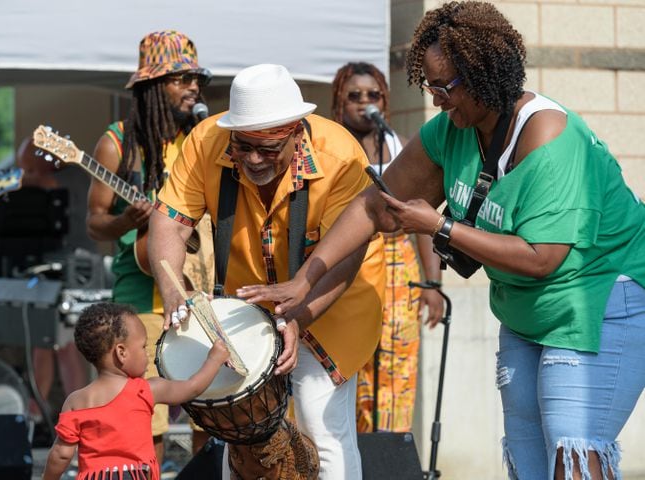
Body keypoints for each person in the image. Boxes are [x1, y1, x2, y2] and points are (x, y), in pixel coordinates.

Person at [241, 3, 645, 480]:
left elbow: (543, 259)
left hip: (597, 300)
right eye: (428, 85)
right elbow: (375, 206)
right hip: (523, 310)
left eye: (444, 86)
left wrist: (438, 227)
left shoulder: (549, 135)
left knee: (572, 453)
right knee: (529, 461)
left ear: (484, 74)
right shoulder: (452, 133)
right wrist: (302, 281)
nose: (435, 99)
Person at [149, 63, 386, 479]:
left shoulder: (342, 156)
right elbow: (169, 221)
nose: (255, 159)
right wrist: (173, 292)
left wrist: (298, 314)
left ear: (298, 132)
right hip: (250, 305)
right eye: (244, 147)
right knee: (242, 436)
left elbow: (346, 256)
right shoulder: (206, 142)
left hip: (333, 299)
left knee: (320, 425)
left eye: (270, 148)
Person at [87, 30, 214, 462]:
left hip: (198, 294)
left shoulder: (203, 139)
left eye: (196, 78)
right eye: (180, 78)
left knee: (210, 418)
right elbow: (94, 223)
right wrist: (124, 221)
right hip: (140, 300)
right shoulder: (118, 142)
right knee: (143, 420)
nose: (193, 87)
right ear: (152, 87)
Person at [331, 61, 444, 433]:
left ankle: (390, 456)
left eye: (373, 95)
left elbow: (421, 219)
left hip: (398, 272)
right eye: (354, 96)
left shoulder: (400, 147)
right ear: (339, 102)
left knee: (396, 367)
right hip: (349, 269)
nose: (364, 103)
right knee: (354, 369)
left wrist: (432, 285)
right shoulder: (330, 147)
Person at [41, 302, 229, 480]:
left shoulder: (76, 401)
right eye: (143, 346)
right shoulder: (146, 389)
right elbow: (192, 388)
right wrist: (214, 359)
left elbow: (61, 454)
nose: (147, 354)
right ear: (121, 353)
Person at [15, 137, 91, 426]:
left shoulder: (71, 175)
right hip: (51, 268)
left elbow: (47, 184)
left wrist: (22, 180)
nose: (28, 175)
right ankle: (36, 415)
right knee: (42, 342)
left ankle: (78, 420)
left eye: (32, 169)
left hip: (77, 267)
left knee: (68, 346)